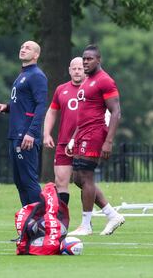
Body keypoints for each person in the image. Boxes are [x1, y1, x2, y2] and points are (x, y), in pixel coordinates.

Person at [65, 45, 126, 236]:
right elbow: (84, 114)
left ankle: (86, 224)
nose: (85, 62)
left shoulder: (105, 81)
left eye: (89, 59)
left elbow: (116, 112)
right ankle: (112, 214)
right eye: (83, 59)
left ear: (98, 60)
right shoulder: (87, 80)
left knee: (86, 176)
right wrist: (73, 138)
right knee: (77, 179)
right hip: (82, 134)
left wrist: (108, 141)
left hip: (95, 134)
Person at [0, 41, 48, 206]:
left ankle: (43, 223)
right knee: (20, 182)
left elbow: (41, 106)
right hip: (15, 135)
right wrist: (6, 108)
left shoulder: (37, 75)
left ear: (36, 55)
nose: (23, 49)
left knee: (28, 181)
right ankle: (29, 226)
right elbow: (25, 105)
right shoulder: (23, 75)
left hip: (25, 137)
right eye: (22, 47)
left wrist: (31, 133)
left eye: (28, 48)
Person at [43, 57, 85, 206]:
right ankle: (62, 220)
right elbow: (52, 111)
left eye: (80, 68)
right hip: (64, 142)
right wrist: (46, 133)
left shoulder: (91, 88)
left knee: (84, 182)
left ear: (85, 69)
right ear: (69, 70)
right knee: (60, 181)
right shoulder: (61, 89)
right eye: (74, 68)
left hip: (84, 142)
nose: (77, 71)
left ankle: (87, 220)